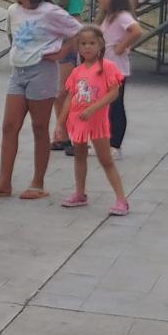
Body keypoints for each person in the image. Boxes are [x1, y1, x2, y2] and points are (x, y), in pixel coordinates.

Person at [0, 0, 82, 199]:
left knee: (39, 127)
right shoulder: (13, 10)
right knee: (9, 126)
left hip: (42, 72)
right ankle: (4, 182)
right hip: (18, 72)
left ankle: (38, 183)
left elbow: (80, 31)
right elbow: (13, 36)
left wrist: (62, 51)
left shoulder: (51, 12)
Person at [56, 26, 129, 216]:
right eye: (83, 44)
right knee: (79, 156)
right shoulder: (77, 71)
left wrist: (93, 108)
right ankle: (80, 193)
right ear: (78, 47)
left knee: (105, 160)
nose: (87, 47)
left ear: (100, 44)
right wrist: (60, 124)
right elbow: (70, 98)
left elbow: (114, 93)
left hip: (97, 121)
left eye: (91, 43)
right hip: (77, 121)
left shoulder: (107, 67)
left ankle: (121, 199)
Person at [97, 0, 142, 159]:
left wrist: (122, 46)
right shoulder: (108, 17)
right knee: (104, 106)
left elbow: (136, 31)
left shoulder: (122, 16)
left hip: (117, 68)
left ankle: (115, 144)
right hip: (104, 66)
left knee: (115, 105)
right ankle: (104, 141)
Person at [46, 0, 86, 155]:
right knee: (56, 93)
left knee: (65, 92)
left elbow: (76, 25)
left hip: (66, 48)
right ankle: (62, 134)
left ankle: (71, 134)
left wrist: (71, 48)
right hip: (51, 48)